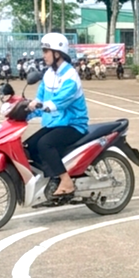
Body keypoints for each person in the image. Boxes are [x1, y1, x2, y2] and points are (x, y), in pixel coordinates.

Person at [25, 33, 90, 197]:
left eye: (46, 51)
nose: (43, 55)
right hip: (55, 124)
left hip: (73, 124)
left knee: (44, 144)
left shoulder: (71, 76)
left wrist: (41, 106)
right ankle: (52, 179)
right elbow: (39, 99)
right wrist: (22, 111)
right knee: (29, 146)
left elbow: (59, 102)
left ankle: (66, 181)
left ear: (57, 53)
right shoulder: (48, 74)